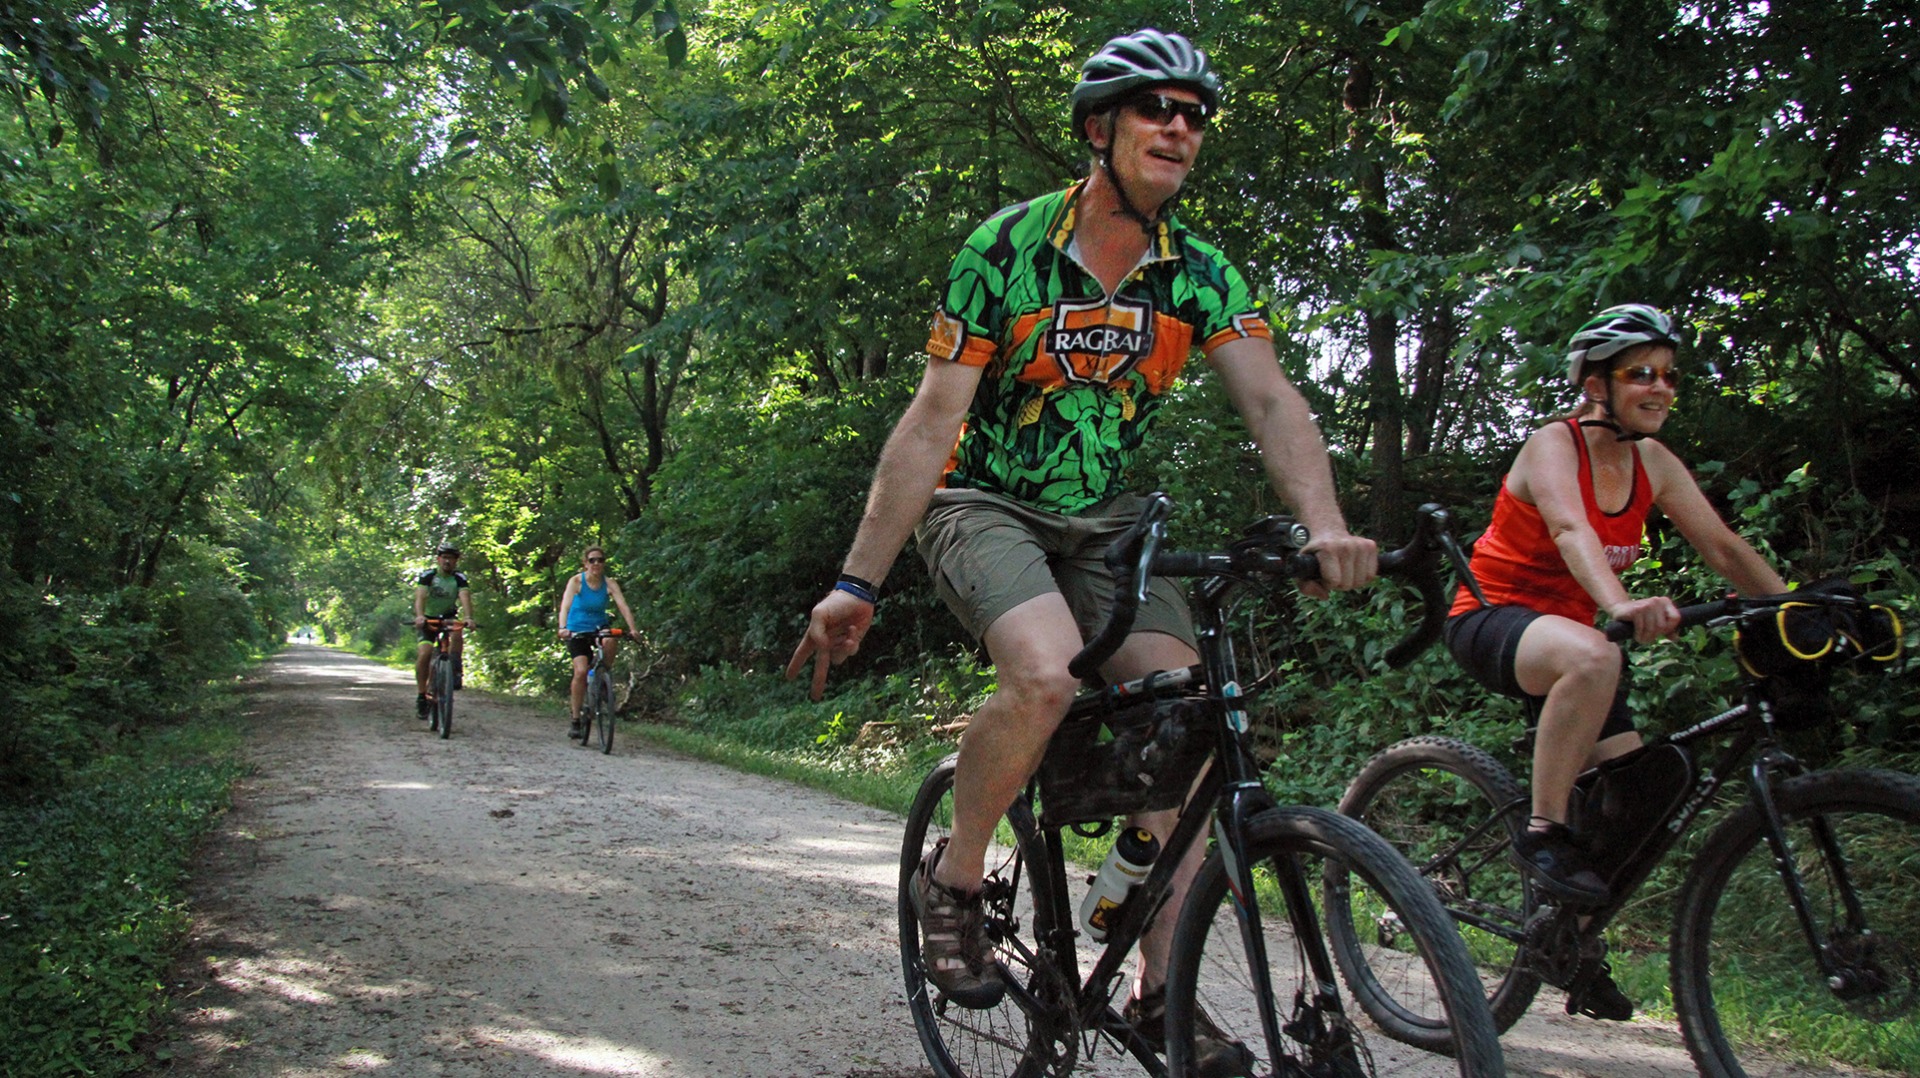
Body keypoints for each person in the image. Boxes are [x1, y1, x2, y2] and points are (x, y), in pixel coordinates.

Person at [785, 28, 1376, 1068]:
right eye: (1160, 108)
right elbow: (930, 423)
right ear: (1100, 128)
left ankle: (1157, 987)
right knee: (1045, 675)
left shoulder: (1198, 277)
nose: (1181, 129)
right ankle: (956, 884)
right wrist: (856, 579)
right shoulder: (1004, 251)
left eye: (1196, 116)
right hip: (987, 503)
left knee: (1192, 716)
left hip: (1109, 525)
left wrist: (1325, 521)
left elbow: (1274, 400)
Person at [1443, 303, 1789, 1015]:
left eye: (1668, 376)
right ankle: (1543, 832)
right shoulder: (1553, 444)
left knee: (1649, 793)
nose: (1660, 387)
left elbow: (1721, 548)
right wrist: (1620, 603)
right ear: (1597, 384)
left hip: (1577, 647)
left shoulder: (1652, 461)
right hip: (1493, 617)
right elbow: (1571, 529)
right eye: (1641, 374)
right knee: (1596, 656)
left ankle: (1567, 941)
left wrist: (1796, 607)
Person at [556, 545, 638, 739]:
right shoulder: (576, 581)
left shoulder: (609, 584)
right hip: (576, 629)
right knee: (581, 671)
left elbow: (623, 606)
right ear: (585, 563)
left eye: (600, 560)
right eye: (592, 560)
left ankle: (602, 676)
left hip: (598, 627)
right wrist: (562, 628)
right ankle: (576, 719)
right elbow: (565, 606)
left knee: (610, 639)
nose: (596, 564)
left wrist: (633, 629)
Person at [414, 545, 476, 717]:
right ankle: (421, 695)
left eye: (451, 558)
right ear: (438, 559)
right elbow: (420, 597)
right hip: (428, 619)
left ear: (456, 561)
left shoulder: (459, 577)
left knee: (457, 632)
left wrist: (468, 617)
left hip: (448, 617)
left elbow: (465, 597)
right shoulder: (429, 576)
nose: (447, 561)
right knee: (425, 653)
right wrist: (420, 616)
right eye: (444, 557)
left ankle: (455, 669)